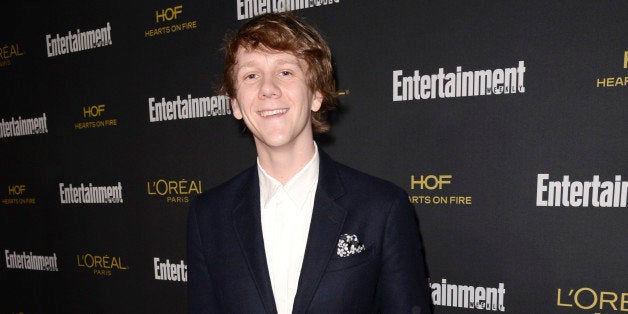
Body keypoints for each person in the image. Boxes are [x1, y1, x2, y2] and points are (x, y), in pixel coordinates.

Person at [187, 12, 432, 314]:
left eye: (285, 72)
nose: (268, 88)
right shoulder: (208, 215)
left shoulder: (382, 208)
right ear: (236, 103)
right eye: (251, 75)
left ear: (316, 94)